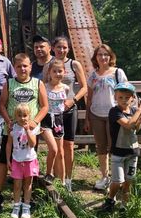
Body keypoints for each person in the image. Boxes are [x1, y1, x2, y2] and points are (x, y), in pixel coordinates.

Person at [0, 53, 48, 214]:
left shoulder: (38, 83)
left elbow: (44, 106)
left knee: (30, 162)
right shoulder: (9, 84)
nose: (22, 69)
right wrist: (8, 120)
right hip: (10, 130)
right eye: (19, 66)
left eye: (25, 66)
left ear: (30, 67)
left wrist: (35, 122)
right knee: (3, 162)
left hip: (30, 131)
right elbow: (2, 104)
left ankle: (28, 199)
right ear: (14, 68)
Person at [42, 36, 88, 191]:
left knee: (69, 145)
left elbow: (84, 87)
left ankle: (68, 179)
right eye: (59, 47)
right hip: (54, 113)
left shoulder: (74, 64)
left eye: (65, 47)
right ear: (53, 48)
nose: (62, 50)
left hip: (70, 109)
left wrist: (72, 100)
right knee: (57, 147)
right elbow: (43, 87)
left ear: (68, 48)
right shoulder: (48, 65)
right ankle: (57, 177)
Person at [85, 44, 128, 191]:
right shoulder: (93, 75)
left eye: (105, 54)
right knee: (101, 147)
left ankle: (117, 179)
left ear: (110, 56)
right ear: (95, 58)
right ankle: (105, 177)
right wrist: (87, 118)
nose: (103, 57)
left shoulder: (118, 73)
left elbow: (127, 93)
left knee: (115, 147)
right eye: (99, 55)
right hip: (96, 115)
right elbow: (89, 98)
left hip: (114, 116)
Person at [100, 83, 141, 212]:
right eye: (120, 97)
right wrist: (139, 110)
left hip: (132, 150)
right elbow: (128, 124)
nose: (124, 100)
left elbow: (136, 127)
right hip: (118, 152)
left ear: (132, 98)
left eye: (127, 97)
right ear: (115, 97)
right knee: (117, 181)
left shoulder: (132, 111)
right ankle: (110, 200)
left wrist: (139, 121)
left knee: (129, 180)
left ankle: (124, 205)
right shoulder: (114, 111)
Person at [7, 103, 40, 218]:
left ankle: (26, 206)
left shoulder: (32, 128)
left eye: (25, 115)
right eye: (19, 115)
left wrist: (27, 131)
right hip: (16, 159)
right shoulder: (13, 128)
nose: (22, 118)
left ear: (29, 116)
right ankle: (16, 206)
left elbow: (32, 144)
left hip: (29, 160)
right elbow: (9, 145)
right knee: (17, 185)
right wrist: (8, 160)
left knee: (28, 184)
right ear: (15, 116)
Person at [41, 59, 70, 185]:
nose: (57, 74)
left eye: (60, 71)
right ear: (49, 72)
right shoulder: (44, 86)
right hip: (46, 119)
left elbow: (64, 105)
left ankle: (62, 182)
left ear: (64, 72)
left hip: (58, 120)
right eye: (54, 71)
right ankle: (49, 173)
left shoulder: (65, 88)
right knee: (53, 149)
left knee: (61, 152)